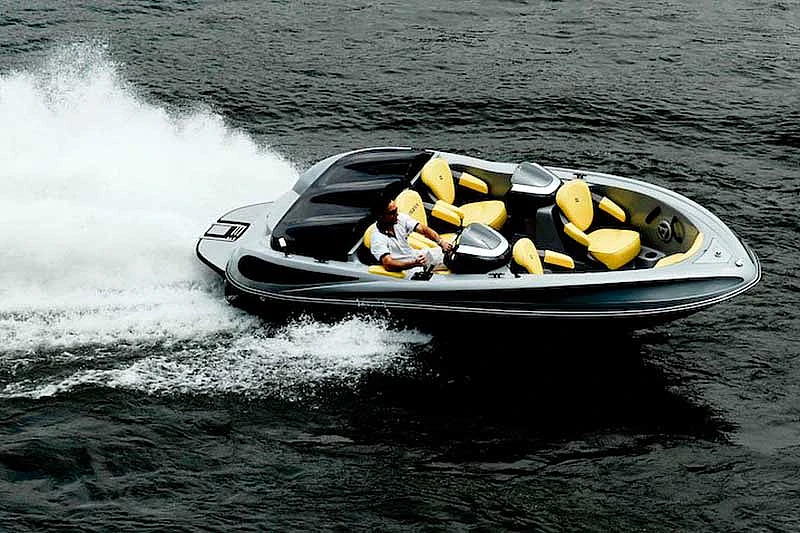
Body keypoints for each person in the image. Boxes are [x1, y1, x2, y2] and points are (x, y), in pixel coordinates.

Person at [369, 195, 454, 273]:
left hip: (416, 257)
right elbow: (388, 264)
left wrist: (441, 242)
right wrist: (414, 264)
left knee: (452, 254)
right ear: (381, 216)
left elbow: (423, 229)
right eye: (392, 212)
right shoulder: (377, 238)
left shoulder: (400, 218)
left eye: (396, 210)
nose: (397, 214)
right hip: (407, 269)